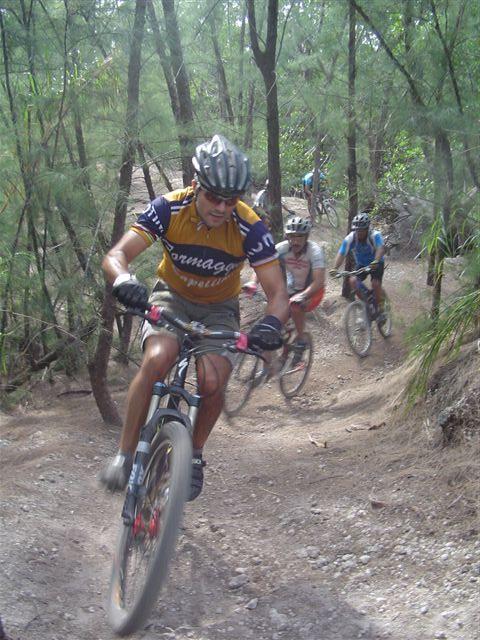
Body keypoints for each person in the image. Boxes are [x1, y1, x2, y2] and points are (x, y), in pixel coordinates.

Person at [99, 134, 289, 500]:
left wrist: (270, 323)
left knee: (213, 378)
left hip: (219, 309)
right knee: (158, 359)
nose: (221, 207)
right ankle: (124, 455)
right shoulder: (169, 209)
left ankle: (195, 454)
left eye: (230, 200)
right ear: (194, 185)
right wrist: (124, 280)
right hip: (172, 296)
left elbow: (278, 293)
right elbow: (116, 255)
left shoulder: (251, 227)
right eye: (213, 197)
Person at [244, 215, 326, 367]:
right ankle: (279, 356)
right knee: (273, 314)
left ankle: (301, 339)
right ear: (287, 236)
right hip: (290, 291)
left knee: (295, 306)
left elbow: (319, 281)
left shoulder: (315, 251)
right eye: (292, 237)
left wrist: (303, 294)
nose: (295, 241)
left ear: (306, 237)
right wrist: (252, 282)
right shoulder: (281, 248)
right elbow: (264, 264)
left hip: (313, 291)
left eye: (300, 237)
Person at [330, 212, 386, 316]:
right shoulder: (350, 238)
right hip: (362, 264)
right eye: (357, 230)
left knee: (375, 283)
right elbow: (342, 253)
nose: (359, 232)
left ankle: (380, 305)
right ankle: (367, 303)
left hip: (376, 263)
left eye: (362, 230)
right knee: (353, 281)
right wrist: (335, 268)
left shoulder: (375, 235)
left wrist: (376, 260)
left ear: (367, 228)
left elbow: (380, 248)